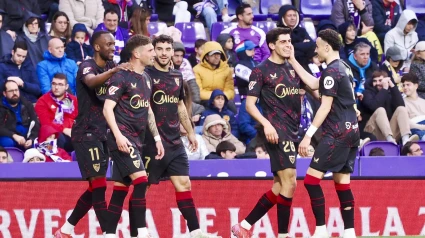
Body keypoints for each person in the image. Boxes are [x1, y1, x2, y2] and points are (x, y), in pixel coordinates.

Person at [231, 27, 319, 237]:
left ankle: (243, 225)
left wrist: (297, 64)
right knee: (291, 181)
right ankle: (282, 234)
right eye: (283, 42)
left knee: (280, 186)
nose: (288, 45)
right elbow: (250, 105)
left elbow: (315, 90)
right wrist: (266, 124)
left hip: (293, 131)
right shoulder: (260, 70)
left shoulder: (293, 69)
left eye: (289, 41)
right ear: (271, 45)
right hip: (275, 131)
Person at [136, 34, 220, 238]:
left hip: (174, 141)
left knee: (184, 183)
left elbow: (180, 104)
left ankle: (196, 232)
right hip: (151, 142)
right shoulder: (145, 75)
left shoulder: (177, 76)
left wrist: (191, 132)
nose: (164, 53)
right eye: (160, 49)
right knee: (142, 188)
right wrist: (154, 138)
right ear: (153, 50)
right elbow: (144, 107)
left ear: (173, 52)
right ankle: (139, 231)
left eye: (168, 49)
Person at [54, 30, 127, 238]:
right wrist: (115, 72)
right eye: (109, 44)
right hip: (86, 132)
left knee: (96, 187)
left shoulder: (113, 67)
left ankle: (66, 229)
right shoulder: (87, 65)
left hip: (104, 133)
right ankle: (109, 233)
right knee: (99, 186)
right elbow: (92, 81)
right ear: (97, 47)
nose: (113, 47)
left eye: (114, 44)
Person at [295, 29, 360, 238]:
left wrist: (307, 136)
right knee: (342, 182)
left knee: (311, 181)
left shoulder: (332, 71)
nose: (316, 50)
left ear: (326, 46)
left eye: (317, 46)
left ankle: (321, 229)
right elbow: (315, 84)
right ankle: (349, 232)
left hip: (337, 133)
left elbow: (324, 106)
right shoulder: (344, 67)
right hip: (352, 131)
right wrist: (293, 62)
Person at [103, 34, 164, 238]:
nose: (154, 54)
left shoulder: (146, 77)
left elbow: (147, 110)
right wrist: (118, 136)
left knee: (120, 190)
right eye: (150, 50)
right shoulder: (121, 76)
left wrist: (156, 138)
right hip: (122, 139)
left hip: (138, 140)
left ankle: (109, 234)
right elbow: (107, 109)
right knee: (141, 181)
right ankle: (141, 232)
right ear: (137, 54)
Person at [35, 73, 78, 152]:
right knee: (57, 136)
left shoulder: (73, 100)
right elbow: (46, 123)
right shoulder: (42, 101)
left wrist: (74, 130)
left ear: (66, 87)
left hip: (72, 132)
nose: (56, 87)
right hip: (53, 133)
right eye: (54, 84)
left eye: (60, 84)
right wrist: (64, 129)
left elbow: (80, 119)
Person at [0, 80, 40, 149]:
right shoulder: (1, 106)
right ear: (4, 93)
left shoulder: (27, 104)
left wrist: (31, 138)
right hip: (9, 136)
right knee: (7, 143)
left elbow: (35, 122)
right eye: (11, 91)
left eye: (16, 90)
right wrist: (14, 135)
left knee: (36, 144)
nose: (14, 93)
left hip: (26, 136)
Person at [402, 73, 425, 141]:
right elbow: (406, 123)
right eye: (403, 85)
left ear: (416, 86)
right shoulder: (402, 102)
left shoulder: (423, 101)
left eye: (408, 85)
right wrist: (423, 127)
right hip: (416, 130)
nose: (405, 87)